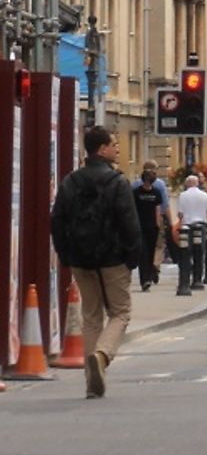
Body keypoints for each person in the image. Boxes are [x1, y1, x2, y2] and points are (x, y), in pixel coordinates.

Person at [50, 126, 142, 399]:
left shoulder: (70, 181)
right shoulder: (117, 182)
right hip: (113, 258)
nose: (117, 148)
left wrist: (65, 254)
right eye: (114, 144)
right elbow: (130, 224)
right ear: (101, 149)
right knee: (120, 312)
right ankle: (102, 356)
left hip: (80, 257)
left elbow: (57, 220)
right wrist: (132, 257)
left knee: (90, 317)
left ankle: (92, 381)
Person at [133, 166, 162, 291]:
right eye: (145, 182)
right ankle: (144, 280)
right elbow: (133, 210)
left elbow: (157, 210)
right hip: (139, 227)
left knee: (150, 253)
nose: (147, 185)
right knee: (142, 253)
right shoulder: (136, 192)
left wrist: (158, 225)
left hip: (152, 227)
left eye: (149, 183)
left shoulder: (156, 193)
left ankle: (150, 274)